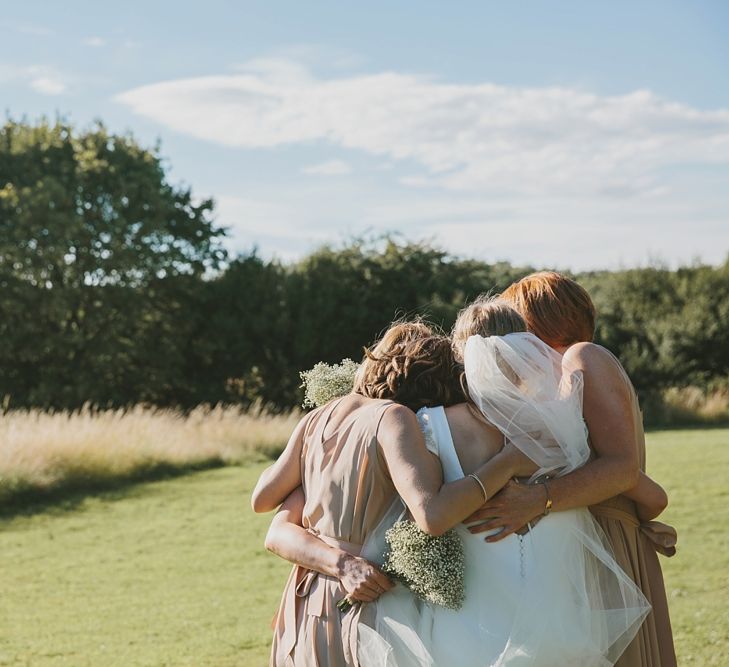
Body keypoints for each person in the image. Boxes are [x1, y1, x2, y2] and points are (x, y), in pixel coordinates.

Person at [251, 322, 536, 667]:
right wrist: (507, 463)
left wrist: (307, 471)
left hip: (307, 599)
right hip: (365, 603)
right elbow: (432, 514)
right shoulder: (394, 418)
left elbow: (262, 499)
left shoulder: (318, 417)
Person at [466, 273, 677, 667]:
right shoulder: (552, 373)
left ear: (536, 318)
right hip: (583, 533)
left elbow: (622, 466)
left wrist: (538, 500)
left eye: (517, 322)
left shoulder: (584, 357)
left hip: (609, 537)